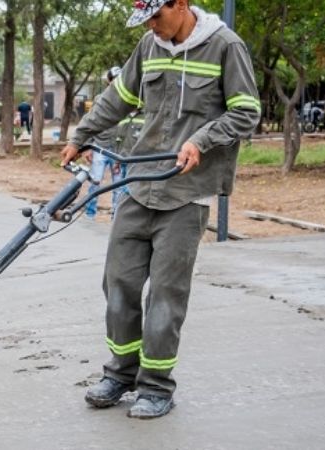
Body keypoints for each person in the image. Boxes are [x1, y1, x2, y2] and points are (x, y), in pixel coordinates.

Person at [60, 0, 260, 419]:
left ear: (181, 4)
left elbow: (246, 111)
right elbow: (119, 98)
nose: (152, 25)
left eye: (157, 16)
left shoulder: (225, 45)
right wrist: (81, 135)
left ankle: (156, 386)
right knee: (118, 284)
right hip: (139, 183)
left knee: (166, 296)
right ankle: (120, 373)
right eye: (146, 19)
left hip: (188, 193)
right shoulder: (150, 46)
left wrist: (201, 140)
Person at [84, 67, 124, 219]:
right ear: (109, 81)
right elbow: (90, 122)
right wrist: (87, 146)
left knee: (119, 185)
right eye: (114, 79)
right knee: (95, 182)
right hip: (99, 146)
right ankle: (89, 214)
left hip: (118, 149)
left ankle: (116, 215)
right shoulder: (99, 99)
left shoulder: (129, 100)